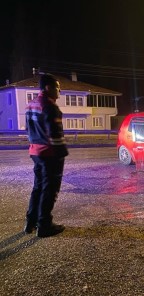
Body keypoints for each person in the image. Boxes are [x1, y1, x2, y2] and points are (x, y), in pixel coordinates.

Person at [24, 74, 68, 237]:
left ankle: (30, 222)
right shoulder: (50, 106)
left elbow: (28, 130)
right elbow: (55, 135)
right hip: (50, 154)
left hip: (35, 152)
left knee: (38, 187)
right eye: (57, 87)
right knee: (50, 189)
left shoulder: (31, 105)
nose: (60, 91)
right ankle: (44, 225)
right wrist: (62, 155)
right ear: (48, 88)